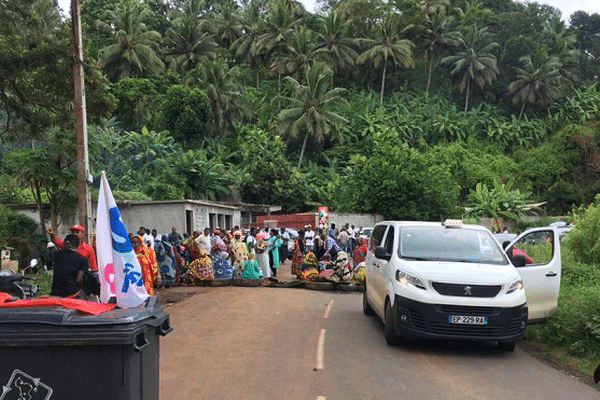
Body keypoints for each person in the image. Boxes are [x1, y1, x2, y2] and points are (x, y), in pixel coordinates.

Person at [50, 234, 89, 298]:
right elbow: (79, 280)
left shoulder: (57, 255)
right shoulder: (83, 259)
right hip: (72, 295)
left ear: (67, 243)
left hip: (55, 294)